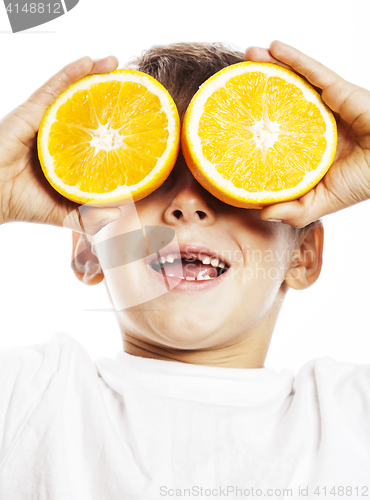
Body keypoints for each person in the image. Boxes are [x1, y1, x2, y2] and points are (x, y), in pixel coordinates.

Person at [0, 40, 370, 499]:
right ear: (89, 251)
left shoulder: (352, 418)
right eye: (152, 179)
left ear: (303, 255)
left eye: (229, 183)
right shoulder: (25, 398)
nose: (188, 205)